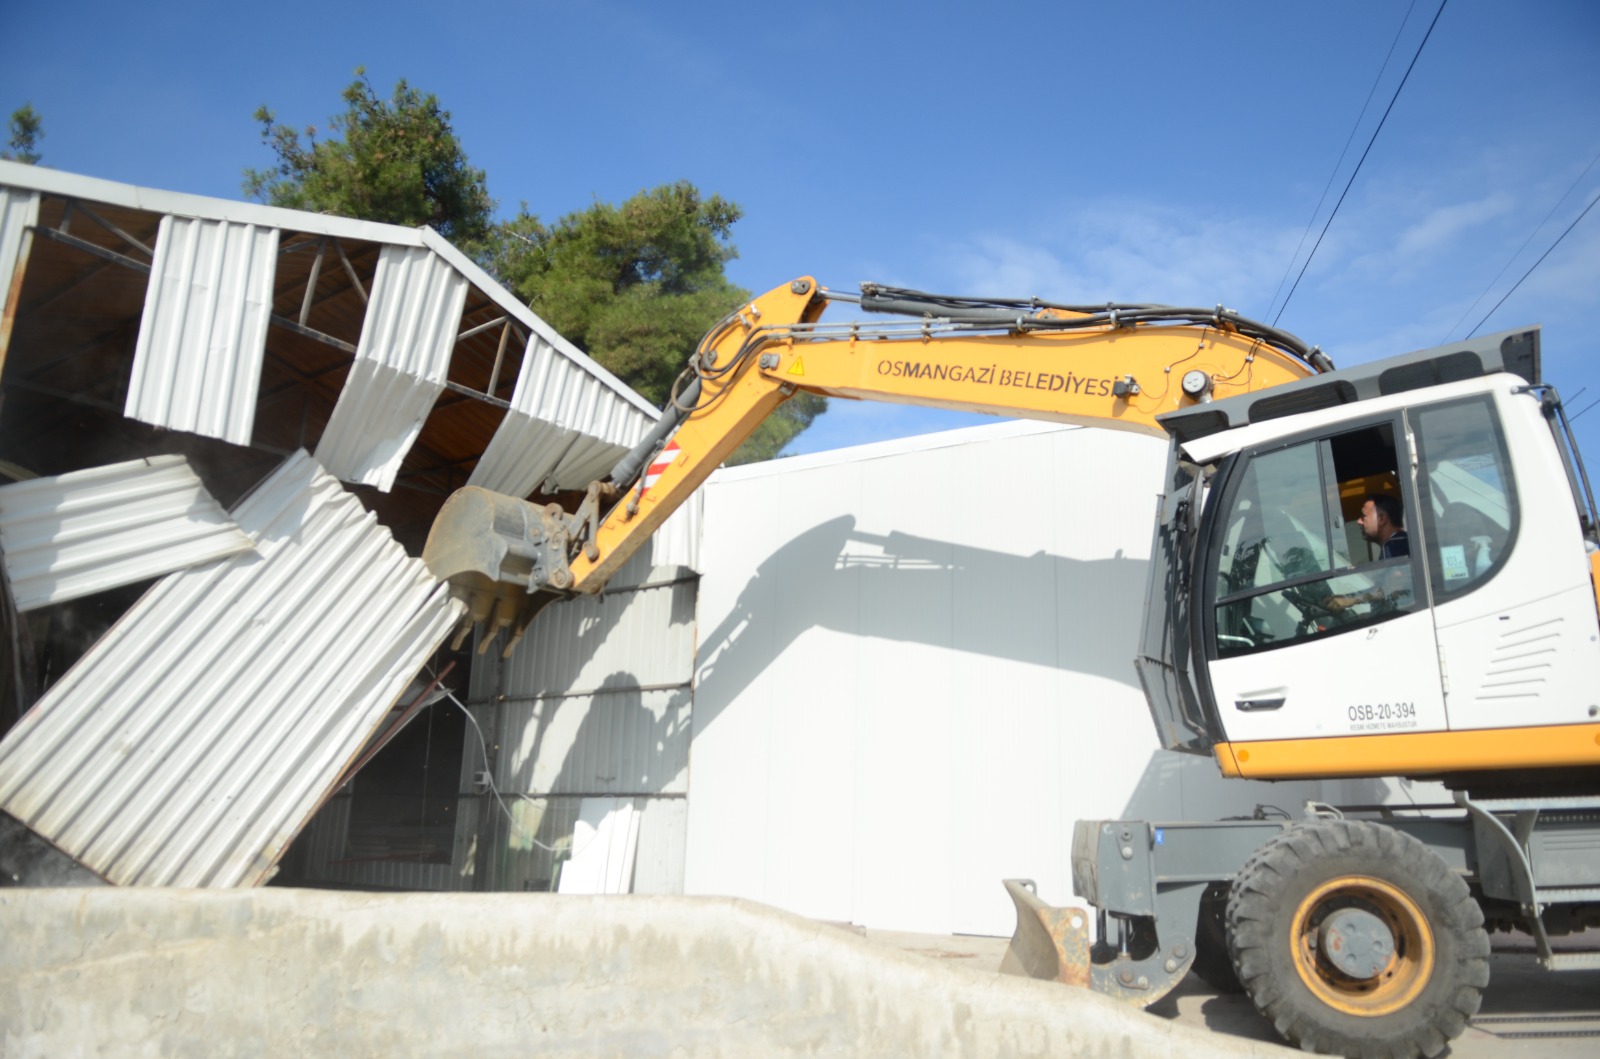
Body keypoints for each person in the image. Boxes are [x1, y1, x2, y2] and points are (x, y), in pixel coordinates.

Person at [1355, 494, 1408, 560]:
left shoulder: (1391, 550)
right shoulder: (1407, 542)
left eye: (1363, 516)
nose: (1359, 521)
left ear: (1381, 519)